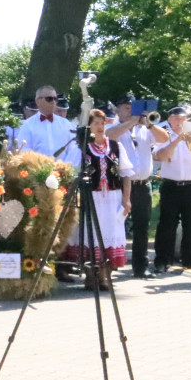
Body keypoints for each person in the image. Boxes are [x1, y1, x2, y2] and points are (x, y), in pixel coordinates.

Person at [64, 109, 134, 290]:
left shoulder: (116, 146)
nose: (100, 127)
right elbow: (71, 174)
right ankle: (91, 277)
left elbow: (126, 174)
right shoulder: (81, 148)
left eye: (102, 123)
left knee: (111, 234)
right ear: (88, 126)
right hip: (91, 198)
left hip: (113, 198)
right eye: (96, 123)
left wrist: (126, 199)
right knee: (91, 235)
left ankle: (104, 277)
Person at [106, 95, 169, 278]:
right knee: (116, 226)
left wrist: (147, 123)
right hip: (120, 186)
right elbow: (109, 137)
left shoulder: (144, 129)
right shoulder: (113, 127)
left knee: (142, 227)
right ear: (117, 110)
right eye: (126, 108)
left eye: (133, 107)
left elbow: (164, 138)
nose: (130, 111)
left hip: (142, 185)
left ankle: (140, 268)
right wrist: (131, 121)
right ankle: (110, 265)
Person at [152, 107, 191, 273]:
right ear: (170, 119)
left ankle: (190, 261)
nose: (180, 122)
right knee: (167, 225)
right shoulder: (164, 137)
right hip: (171, 186)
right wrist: (176, 141)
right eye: (176, 118)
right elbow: (160, 156)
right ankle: (162, 260)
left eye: (183, 119)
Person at [17, 86, 76, 160]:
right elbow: (24, 149)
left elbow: (72, 149)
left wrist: (64, 167)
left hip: (62, 169)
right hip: (37, 169)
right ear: (38, 101)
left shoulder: (66, 124)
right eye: (49, 99)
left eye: (55, 99)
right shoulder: (28, 125)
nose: (53, 102)